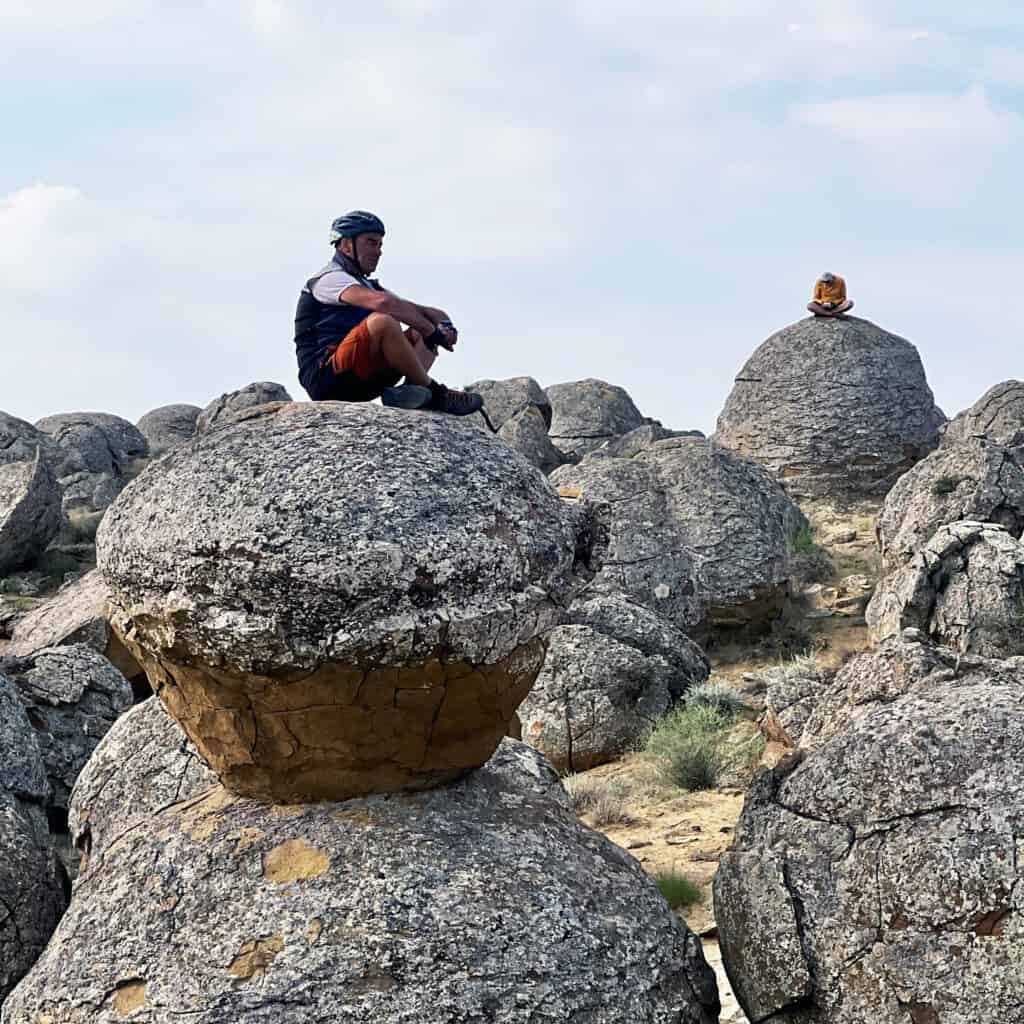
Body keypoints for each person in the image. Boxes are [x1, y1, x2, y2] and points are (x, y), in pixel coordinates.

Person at [294, 211, 483, 415]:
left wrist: (444, 324)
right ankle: (436, 394)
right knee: (384, 321)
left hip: (364, 378)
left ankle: (415, 393)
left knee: (417, 325)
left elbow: (419, 311)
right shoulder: (329, 279)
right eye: (371, 243)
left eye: (380, 245)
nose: (379, 251)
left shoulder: (368, 285)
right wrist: (429, 330)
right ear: (347, 245)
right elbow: (384, 303)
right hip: (326, 378)